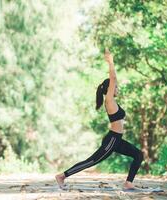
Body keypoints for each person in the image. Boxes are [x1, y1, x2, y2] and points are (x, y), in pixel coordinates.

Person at [55, 48, 144, 190]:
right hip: (112, 140)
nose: (117, 89)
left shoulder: (113, 102)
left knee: (138, 155)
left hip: (117, 140)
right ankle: (62, 176)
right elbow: (113, 79)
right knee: (91, 161)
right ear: (110, 89)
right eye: (115, 87)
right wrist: (111, 62)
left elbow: (114, 82)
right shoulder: (109, 100)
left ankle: (128, 183)